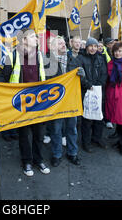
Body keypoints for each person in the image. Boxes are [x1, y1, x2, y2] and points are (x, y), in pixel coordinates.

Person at [0, 28, 51, 177]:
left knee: (39, 134)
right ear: (23, 40)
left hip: (38, 101)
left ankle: (39, 160)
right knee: (23, 134)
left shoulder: (40, 56)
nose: (36, 39)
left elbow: (47, 76)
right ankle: (27, 162)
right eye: (33, 37)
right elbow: (4, 76)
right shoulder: (14, 56)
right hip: (21, 102)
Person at [48, 36, 81, 166]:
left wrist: (82, 77)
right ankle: (57, 154)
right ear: (53, 47)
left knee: (72, 129)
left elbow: (81, 81)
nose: (63, 45)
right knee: (56, 129)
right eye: (59, 43)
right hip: (56, 102)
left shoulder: (74, 60)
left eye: (63, 43)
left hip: (71, 100)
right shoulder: (47, 62)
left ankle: (73, 153)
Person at [75, 37, 108, 153]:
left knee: (99, 116)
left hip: (98, 90)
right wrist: (88, 85)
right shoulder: (81, 58)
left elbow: (104, 73)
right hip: (86, 91)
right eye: (91, 46)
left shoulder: (101, 58)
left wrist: (99, 85)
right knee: (87, 118)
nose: (93, 48)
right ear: (87, 47)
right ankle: (86, 142)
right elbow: (79, 74)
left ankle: (97, 138)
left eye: (95, 46)